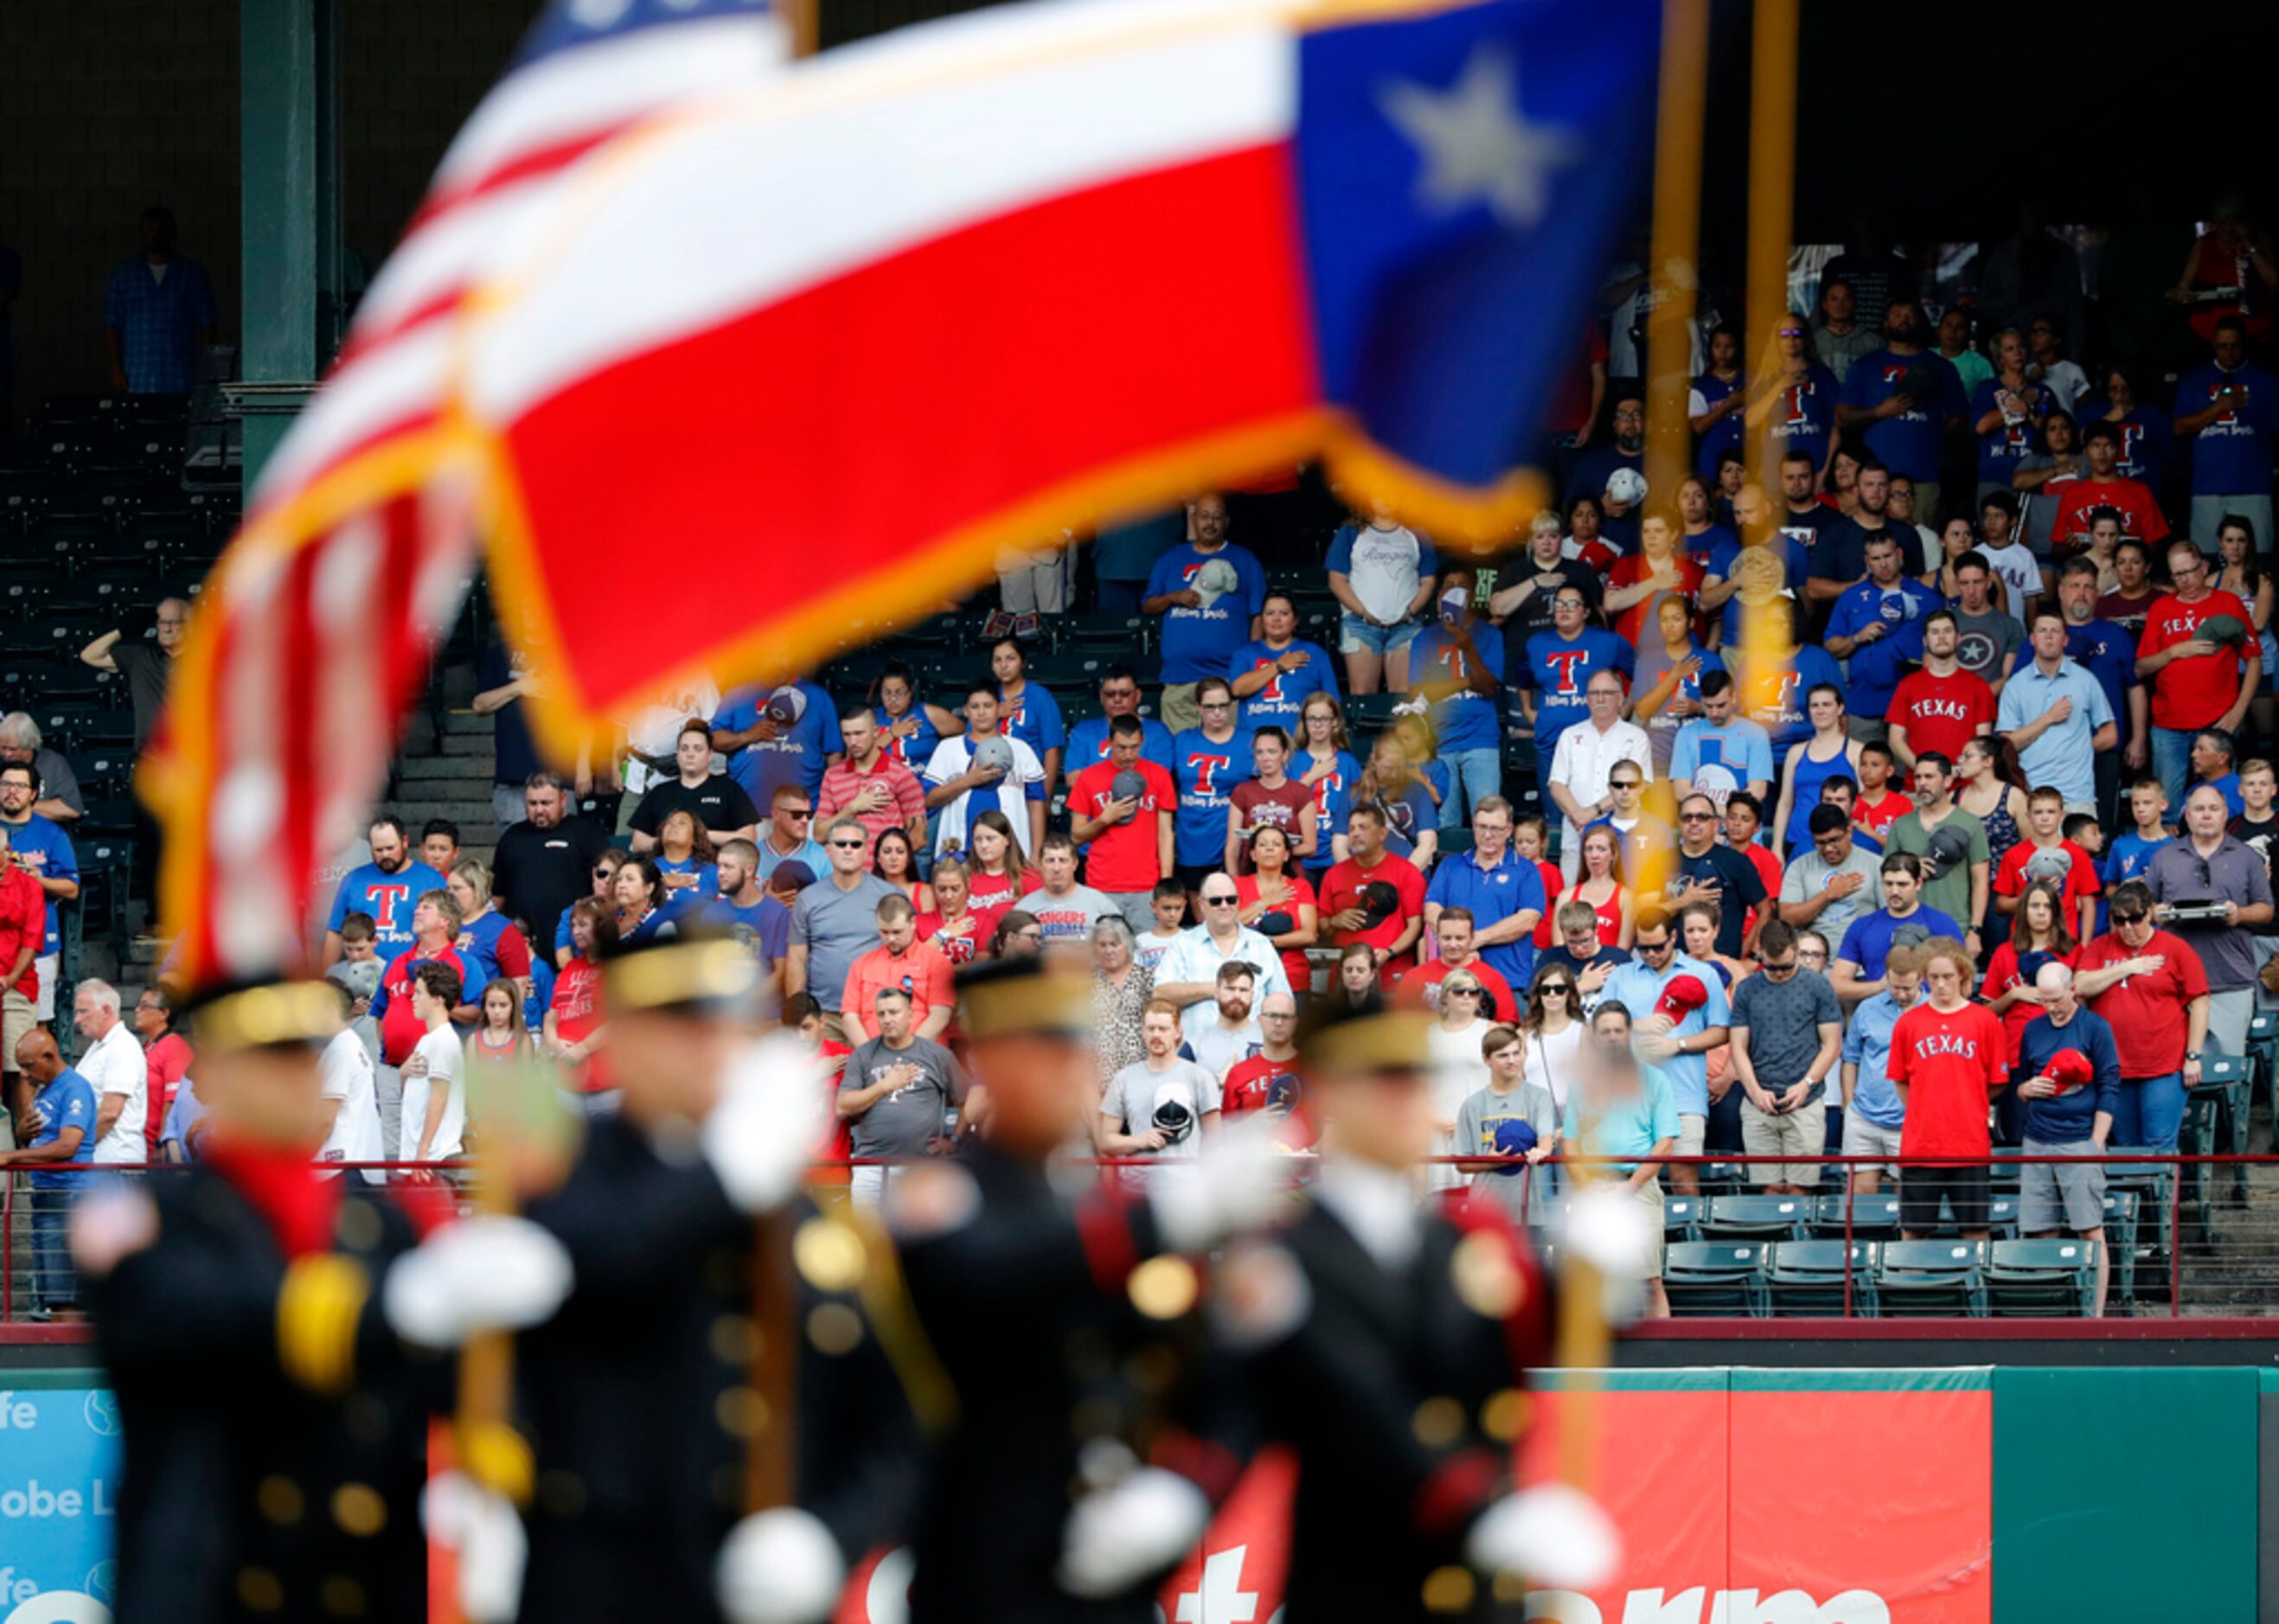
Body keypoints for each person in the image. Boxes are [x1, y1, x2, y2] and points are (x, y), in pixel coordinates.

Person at [73, 980, 523, 1624]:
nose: (293, 1078)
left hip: (356, 1583)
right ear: (218, 1076)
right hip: (214, 1584)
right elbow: (221, 1317)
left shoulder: (376, 1228)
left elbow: (438, 1391)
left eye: (302, 1057)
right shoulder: (152, 1222)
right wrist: (392, 1308)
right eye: (268, 1059)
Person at [507, 934, 904, 1623]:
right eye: (683, 1026)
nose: (711, 1048)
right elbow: (607, 1258)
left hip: (751, 1586)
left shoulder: (784, 1208)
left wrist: (828, 1536)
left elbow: (890, 1422)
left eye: (722, 1026)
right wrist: (724, 1175)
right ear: (624, 1038)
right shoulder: (565, 1180)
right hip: (601, 1578)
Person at [1229, 997, 1609, 1610]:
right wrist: (1480, 1508)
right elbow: (1355, 1402)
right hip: (1362, 1587)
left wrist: (1597, 1283)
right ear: (1328, 1095)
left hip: (1477, 1596)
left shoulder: (1461, 1239)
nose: (1407, 1101)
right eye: (1384, 1083)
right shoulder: (1286, 1258)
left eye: (1415, 1082)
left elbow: (1520, 1348)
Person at [2014, 962, 2121, 1315]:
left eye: (2056, 999)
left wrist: (2095, 1142)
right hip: (2037, 1139)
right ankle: (2055, 1312)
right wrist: (2026, 1090)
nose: (2050, 1008)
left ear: (2073, 989)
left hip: (2079, 1140)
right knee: (2041, 1229)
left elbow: (2109, 1085)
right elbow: (2022, 1082)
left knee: (2090, 1230)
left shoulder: (2095, 1027)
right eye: (2043, 1001)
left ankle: (2095, 1315)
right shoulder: (2033, 1030)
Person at [1888, 937, 2010, 1240]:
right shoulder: (1909, 1023)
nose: (1941, 984)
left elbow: (1996, 1083)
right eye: (1934, 978)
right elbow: (1901, 1081)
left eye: (1948, 977)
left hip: (1969, 1145)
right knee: (1913, 1231)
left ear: (1963, 976)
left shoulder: (1984, 1021)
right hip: (1921, 1146)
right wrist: (1924, 1106)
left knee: (1976, 1230)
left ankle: (1975, 1288)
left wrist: (1966, 1101)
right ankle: (1911, 1285)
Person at [1565, 1001, 1681, 1317]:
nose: (1613, 1037)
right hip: (1592, 1190)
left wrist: (1631, 1186)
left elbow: (1664, 1142)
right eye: (1606, 1032)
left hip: (1640, 1187)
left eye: (1618, 1030)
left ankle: (1666, 1361)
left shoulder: (1655, 1080)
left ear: (1629, 1033)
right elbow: (1570, 1143)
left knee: (1651, 1280)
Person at [2073, 880, 2209, 1152]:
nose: (2127, 928)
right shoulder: (2101, 947)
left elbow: (2201, 1002)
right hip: (2114, 1066)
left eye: (2134, 919)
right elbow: (2080, 986)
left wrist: (2193, 1055)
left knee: (2159, 1144)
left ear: (2149, 913)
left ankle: (2162, 1197)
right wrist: (2128, 967)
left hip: (2163, 1065)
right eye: (2119, 920)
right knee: (2125, 1146)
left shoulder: (2175, 948)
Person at [1604, 908, 1732, 1196]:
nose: (1650, 954)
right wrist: (1637, 1026)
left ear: (1674, 937)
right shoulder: (1621, 976)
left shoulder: (1704, 974)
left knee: (1683, 1177)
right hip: (1629, 1094)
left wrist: (1677, 1045)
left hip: (1684, 1093)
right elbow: (1599, 1028)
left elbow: (1722, 1031)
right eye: (1643, 947)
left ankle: (1688, 1239)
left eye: (1658, 947)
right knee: (1626, 1178)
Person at [2143, 783, 2273, 1061]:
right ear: (2187, 816)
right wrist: (2158, 914)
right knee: (2173, 1065)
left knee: (2227, 1068)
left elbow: (2266, 910)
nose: (2206, 815)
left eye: (2213, 809)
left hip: (2231, 978)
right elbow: (2142, 910)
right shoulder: (2164, 857)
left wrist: (2239, 915)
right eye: (2199, 809)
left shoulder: (2247, 857)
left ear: (2226, 814)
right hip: (2173, 980)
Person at [2140, 540, 2259, 811]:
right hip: (2169, 724)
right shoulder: (2161, 608)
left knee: (2225, 808)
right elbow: (2141, 667)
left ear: (2204, 567)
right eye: (2177, 574)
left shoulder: (2228, 603)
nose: (2185, 580)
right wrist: (2173, 652)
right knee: (2167, 811)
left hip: (2218, 723)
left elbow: (2254, 659)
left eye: (2191, 571)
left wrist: (2239, 710)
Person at [1728, 920, 1842, 1194]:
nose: (1779, 974)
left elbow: (1832, 1044)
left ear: (1795, 950)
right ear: (1760, 954)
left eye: (1786, 967)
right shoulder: (1747, 988)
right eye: (1771, 967)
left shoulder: (1818, 987)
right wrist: (1755, 1091)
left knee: (1800, 1189)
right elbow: (1737, 1046)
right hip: (1759, 1103)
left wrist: (1806, 1084)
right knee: (1768, 1190)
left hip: (1806, 1102)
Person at [1143, 492, 1267, 728]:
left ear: (1226, 522)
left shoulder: (1244, 559)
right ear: (1194, 518)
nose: (1210, 523)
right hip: (1179, 678)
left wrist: (1249, 665)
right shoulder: (1171, 559)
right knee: (1181, 757)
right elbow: (1148, 605)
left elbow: (1258, 615)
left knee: (1226, 751)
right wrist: (1172, 597)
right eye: (1205, 516)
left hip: (1227, 677)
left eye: (1217, 517)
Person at [839, 986, 967, 1206]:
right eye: (881, 1014)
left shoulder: (937, 1055)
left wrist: (954, 1139)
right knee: (869, 1237)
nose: (887, 1019)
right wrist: (884, 1086)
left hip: (920, 1166)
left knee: (918, 1238)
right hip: (871, 1165)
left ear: (910, 1015)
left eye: (894, 1012)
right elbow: (842, 1107)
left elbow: (967, 1099)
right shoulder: (863, 1055)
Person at [1839, 298, 1967, 515]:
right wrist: (1880, 411)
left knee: (1922, 544)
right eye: (1897, 314)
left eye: (1910, 315)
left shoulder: (1942, 367)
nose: (1904, 320)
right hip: (1873, 479)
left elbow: (1960, 416)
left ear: (1920, 322)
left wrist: (1932, 432)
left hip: (1923, 479)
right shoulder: (1864, 366)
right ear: (1886, 324)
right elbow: (1842, 417)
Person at [788, 817, 904, 1040]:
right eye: (841, 844)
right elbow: (796, 960)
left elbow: (906, 955)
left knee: (879, 1076)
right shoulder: (807, 899)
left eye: (856, 844)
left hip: (877, 1013)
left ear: (866, 851)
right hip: (824, 1015)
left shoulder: (890, 896)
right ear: (828, 851)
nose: (848, 850)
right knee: (826, 1075)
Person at [5, 1029, 94, 1317]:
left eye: (29, 1066)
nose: (25, 1074)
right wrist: (21, 1134)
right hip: (48, 1198)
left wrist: (10, 1157)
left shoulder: (74, 1087)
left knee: (65, 1296)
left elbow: (68, 1145)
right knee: (53, 1294)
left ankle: (71, 1359)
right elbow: (39, 1140)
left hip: (68, 1197)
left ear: (49, 1056)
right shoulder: (47, 1090)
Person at [1520, 585, 1632, 804]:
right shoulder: (1536, 644)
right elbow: (1522, 680)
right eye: (1559, 604)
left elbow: (1640, 671)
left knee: (1596, 816)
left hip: (1597, 743)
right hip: (1550, 743)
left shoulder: (1609, 641)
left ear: (1586, 611)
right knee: (1554, 822)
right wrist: (1527, 710)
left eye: (1572, 604)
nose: (1564, 610)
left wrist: (1627, 707)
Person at [2173, 315, 2276, 547]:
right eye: (2222, 346)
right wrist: (2218, 408)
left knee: (2258, 557)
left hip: (2254, 485)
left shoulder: (2266, 381)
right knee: (2205, 559)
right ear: (2213, 346)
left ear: (2244, 344)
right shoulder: (2194, 380)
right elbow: (2179, 428)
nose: (2229, 353)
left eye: (2234, 346)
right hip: (2207, 487)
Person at [1068, 714, 1177, 930]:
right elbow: (1076, 836)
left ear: (1143, 741)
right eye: (1121, 748)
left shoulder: (1159, 775)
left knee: (1148, 954)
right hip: (1103, 884)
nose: (1128, 755)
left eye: (1134, 747)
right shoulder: (1089, 777)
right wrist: (1104, 819)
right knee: (1104, 956)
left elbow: (1165, 834)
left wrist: (1165, 883)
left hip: (1147, 886)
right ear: (1109, 743)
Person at [493, 772, 616, 963]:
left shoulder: (587, 833)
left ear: (563, 800)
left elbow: (607, 883)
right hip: (523, 944)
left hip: (573, 939)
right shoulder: (511, 837)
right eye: (532, 804)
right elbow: (498, 894)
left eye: (546, 803)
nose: (539, 810)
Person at [1152, 874, 1290, 1040]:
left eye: (1231, 900)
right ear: (1201, 905)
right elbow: (1160, 994)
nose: (1224, 906)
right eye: (1216, 901)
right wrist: (1215, 989)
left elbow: (1284, 1002)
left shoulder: (1261, 945)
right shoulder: (1182, 945)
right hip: (1196, 1055)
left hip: (1252, 1053)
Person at [924, 680, 1047, 863]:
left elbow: (1036, 802)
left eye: (988, 706)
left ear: (1000, 709)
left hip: (1012, 855)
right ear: (966, 711)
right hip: (958, 855)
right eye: (975, 706)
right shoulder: (947, 748)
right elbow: (929, 799)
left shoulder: (1020, 749)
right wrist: (968, 781)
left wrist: (1036, 854)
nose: (981, 712)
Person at [1550, 670, 1652, 880]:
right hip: (1576, 838)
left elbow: (1637, 784)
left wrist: (1592, 813)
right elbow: (1557, 785)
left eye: (1607, 692)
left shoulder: (1636, 737)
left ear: (1620, 698)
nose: (1601, 698)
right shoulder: (1570, 735)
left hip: (1622, 840)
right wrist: (1579, 817)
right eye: (1595, 693)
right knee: (1574, 904)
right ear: (1586, 699)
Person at [1840, 942, 1924, 1195]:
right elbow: (1850, 1058)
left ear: (1920, 978)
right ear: (1886, 977)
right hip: (1864, 1117)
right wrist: (1848, 1104)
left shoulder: (1933, 1011)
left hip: (1910, 1121)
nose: (1901, 994)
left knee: (1909, 1203)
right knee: (1862, 1205)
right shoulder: (1867, 1009)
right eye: (1895, 987)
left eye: (1908, 988)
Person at [103, 204, 215, 393]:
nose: (155, 235)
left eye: (160, 229)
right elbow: (112, 325)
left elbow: (208, 325)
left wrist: (206, 372)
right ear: (141, 234)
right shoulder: (124, 275)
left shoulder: (192, 275)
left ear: (172, 233)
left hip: (180, 379)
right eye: (149, 229)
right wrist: (116, 369)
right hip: (138, 379)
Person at [1640, 793, 1763, 961]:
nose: (1694, 822)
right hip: (1671, 966)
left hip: (1722, 966)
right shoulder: (1659, 861)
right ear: (1679, 823)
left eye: (1702, 817)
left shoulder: (1737, 862)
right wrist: (1683, 902)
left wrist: (1751, 954)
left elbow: (1766, 910)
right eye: (1687, 817)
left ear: (1716, 824)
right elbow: (1643, 914)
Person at [1832, 853, 1962, 1002]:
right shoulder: (1862, 926)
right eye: (1888, 884)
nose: (1894, 891)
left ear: (1918, 883)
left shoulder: (1942, 924)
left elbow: (1963, 983)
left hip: (1930, 1014)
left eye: (1902, 884)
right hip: (1880, 1013)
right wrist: (1880, 986)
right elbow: (1837, 985)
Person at [1319, 805, 1428, 979]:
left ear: (1382, 834)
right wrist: (1334, 922)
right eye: (1351, 828)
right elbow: (1322, 928)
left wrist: (1389, 952)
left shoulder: (1407, 872)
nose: (1355, 834)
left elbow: (1415, 926)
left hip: (1392, 976)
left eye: (1363, 827)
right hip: (1346, 978)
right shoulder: (1334, 874)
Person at [321, 815, 446, 966]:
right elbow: (335, 931)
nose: (385, 855)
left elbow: (447, 929)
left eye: (390, 848)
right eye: (378, 850)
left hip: (413, 975)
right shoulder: (353, 879)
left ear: (405, 842)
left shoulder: (432, 879)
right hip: (362, 975)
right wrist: (324, 977)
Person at [1168, 676, 1253, 895]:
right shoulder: (1182, 740)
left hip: (1232, 837)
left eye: (1223, 706)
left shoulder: (1249, 742)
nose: (1217, 712)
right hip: (1191, 837)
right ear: (1198, 707)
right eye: (1210, 706)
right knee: (1202, 911)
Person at [78, 595, 190, 754]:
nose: (166, 629)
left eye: (174, 623)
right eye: (162, 623)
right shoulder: (141, 657)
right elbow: (89, 656)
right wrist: (123, 631)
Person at [816, 703, 927, 862]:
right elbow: (819, 835)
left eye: (859, 733)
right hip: (845, 880)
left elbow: (919, 838)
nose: (853, 741)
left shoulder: (901, 774)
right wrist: (852, 808)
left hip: (885, 881)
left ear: (876, 732)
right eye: (847, 735)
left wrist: (886, 867)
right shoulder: (833, 775)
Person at [840, 894, 956, 1046]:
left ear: (913, 922)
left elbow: (940, 1016)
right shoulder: (861, 965)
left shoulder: (936, 962)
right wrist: (870, 1055)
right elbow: (849, 1017)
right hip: (872, 1057)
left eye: (897, 932)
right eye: (884, 932)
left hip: (922, 1056)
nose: (891, 939)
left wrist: (908, 1052)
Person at [1230, 590, 1341, 733]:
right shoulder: (1245, 653)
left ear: (1295, 620)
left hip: (1300, 743)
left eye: (1284, 613)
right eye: (1270, 613)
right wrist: (1278, 666)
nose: (1276, 619)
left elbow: (1333, 703)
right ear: (1262, 620)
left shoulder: (1314, 653)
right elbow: (1237, 689)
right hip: (1252, 743)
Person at [1669, 668, 1774, 814]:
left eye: (1721, 705)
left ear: (1734, 698)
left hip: (1742, 828)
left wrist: (1725, 815)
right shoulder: (1686, 734)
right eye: (1708, 706)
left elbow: (1758, 791)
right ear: (1701, 699)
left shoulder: (1756, 734)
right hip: (1700, 825)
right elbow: (1681, 791)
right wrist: (1723, 812)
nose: (1714, 713)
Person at [1779, 803, 1885, 946]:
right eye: (1820, 843)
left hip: (1863, 957)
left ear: (1849, 831)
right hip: (1812, 958)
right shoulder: (1800, 866)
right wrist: (1828, 895)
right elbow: (1787, 918)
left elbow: (1890, 916)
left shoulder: (1875, 864)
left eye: (1834, 840)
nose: (1829, 848)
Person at [544, 898, 617, 1107]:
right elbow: (551, 1016)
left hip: (607, 1085)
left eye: (583, 925)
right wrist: (555, 1044)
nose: (575, 931)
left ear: (602, 926)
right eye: (574, 925)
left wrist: (583, 1049)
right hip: (567, 1085)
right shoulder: (570, 968)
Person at [1233, 823, 1317, 1001]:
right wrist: (1265, 902)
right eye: (1263, 844)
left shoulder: (1300, 887)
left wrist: (1268, 942)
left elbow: (1309, 935)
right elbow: (1229, 926)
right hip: (1245, 979)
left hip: (1292, 976)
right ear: (1253, 854)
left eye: (1276, 844)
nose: (1269, 848)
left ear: (1287, 855)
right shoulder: (1238, 885)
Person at [71, 978, 146, 1169]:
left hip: (115, 1161)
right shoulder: (101, 1045)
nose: (77, 1020)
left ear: (106, 1010)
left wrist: (72, 1146)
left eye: (83, 1011)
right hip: (101, 1159)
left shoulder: (122, 1046)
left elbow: (110, 1113)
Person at [1225, 725, 1318, 873]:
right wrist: (1235, 883)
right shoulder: (1242, 791)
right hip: (1250, 875)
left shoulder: (1301, 793)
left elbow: (1310, 847)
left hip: (1289, 877)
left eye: (1272, 751)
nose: (1265, 758)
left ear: (1285, 755)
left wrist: (1274, 853)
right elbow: (1233, 847)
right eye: (1260, 752)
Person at [1062, 665, 1175, 786]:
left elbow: (1157, 779)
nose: (1117, 699)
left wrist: (1096, 779)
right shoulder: (1083, 731)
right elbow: (1073, 779)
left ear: (1137, 696)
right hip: (1093, 804)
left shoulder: (1158, 732)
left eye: (1125, 694)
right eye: (1110, 694)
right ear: (1101, 697)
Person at [1014, 831, 1121, 945]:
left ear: (1075, 864)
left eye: (1063, 861)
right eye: (1050, 861)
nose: (1056, 868)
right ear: (1040, 865)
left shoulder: (1100, 904)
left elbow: (1120, 944)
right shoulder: (1024, 908)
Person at [989, 638, 1066, 791]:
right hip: (991, 782)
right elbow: (971, 739)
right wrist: (995, 713)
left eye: (1011, 658)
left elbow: (1052, 751)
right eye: (997, 660)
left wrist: (1045, 796)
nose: (1003, 666)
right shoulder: (987, 697)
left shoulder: (1040, 697)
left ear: (1023, 662)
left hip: (1028, 783)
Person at [1091, 917, 1155, 1090]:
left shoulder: (1147, 978)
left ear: (1127, 945)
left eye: (1114, 944)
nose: (1108, 950)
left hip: (1141, 1075)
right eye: (1102, 945)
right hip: (1099, 1081)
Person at [874, 660, 968, 774]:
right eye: (887, 692)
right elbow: (857, 760)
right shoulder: (870, 719)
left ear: (911, 690)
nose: (893, 699)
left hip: (925, 786)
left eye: (900, 692)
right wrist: (892, 734)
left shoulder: (929, 714)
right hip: (881, 786)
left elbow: (969, 732)